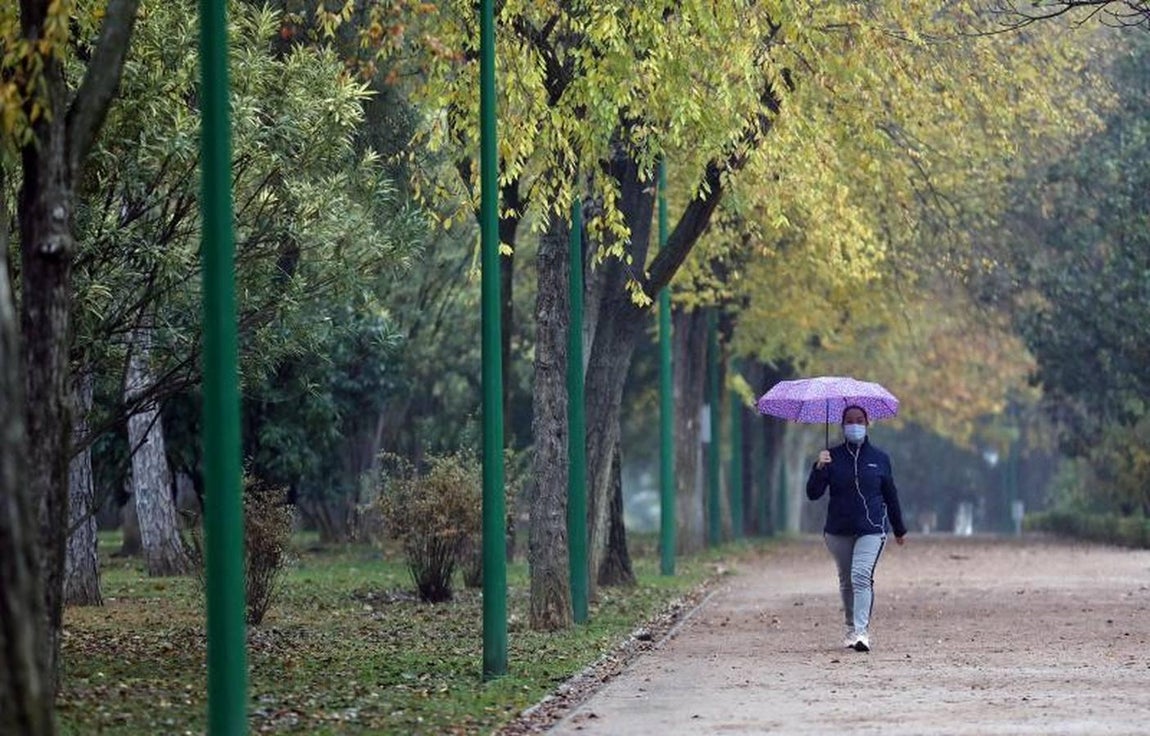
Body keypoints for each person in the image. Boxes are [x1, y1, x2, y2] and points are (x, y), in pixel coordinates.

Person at [806, 404, 907, 652]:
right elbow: (813, 494)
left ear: (867, 423)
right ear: (842, 426)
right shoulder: (830, 457)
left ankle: (862, 633)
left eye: (859, 420)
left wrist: (899, 527)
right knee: (846, 580)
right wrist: (819, 468)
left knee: (861, 576)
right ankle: (851, 628)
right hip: (838, 530)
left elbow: (890, 494)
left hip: (871, 528)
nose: (854, 425)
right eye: (849, 421)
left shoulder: (880, 459)